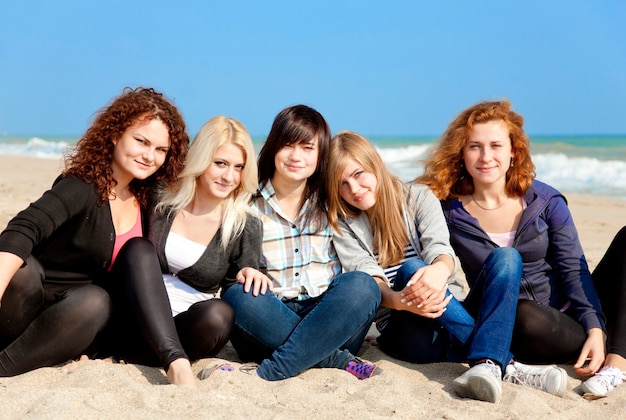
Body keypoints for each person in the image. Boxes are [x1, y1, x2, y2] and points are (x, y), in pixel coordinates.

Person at [326, 130, 568, 403]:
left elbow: (440, 250)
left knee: (507, 257)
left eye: (358, 174)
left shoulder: (417, 196)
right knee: (411, 269)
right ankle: (506, 365)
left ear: (374, 164)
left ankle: (486, 363)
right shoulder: (342, 224)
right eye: (342, 184)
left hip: (450, 314)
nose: (354, 189)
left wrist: (439, 271)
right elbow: (372, 280)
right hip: (407, 331)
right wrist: (403, 302)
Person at [418, 99, 623, 399]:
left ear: (513, 151)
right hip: (509, 322)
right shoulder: (447, 211)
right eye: (474, 146)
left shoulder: (545, 201)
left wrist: (594, 327)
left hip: (566, 316)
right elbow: (417, 251)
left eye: (496, 145)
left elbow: (573, 269)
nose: (486, 156)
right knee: (523, 313)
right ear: (461, 153)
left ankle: (616, 360)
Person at [0, 87, 188, 377]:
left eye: (161, 149)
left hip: (75, 320)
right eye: (141, 141)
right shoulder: (82, 185)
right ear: (115, 134)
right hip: (24, 308)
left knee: (96, 301)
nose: (150, 156)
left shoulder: (149, 198)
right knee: (23, 269)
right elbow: (24, 228)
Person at [106, 115, 271, 386]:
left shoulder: (245, 224)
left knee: (220, 315)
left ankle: (147, 355)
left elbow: (236, 286)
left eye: (238, 167)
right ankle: (167, 360)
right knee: (138, 248)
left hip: (186, 329)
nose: (229, 176)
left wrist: (254, 272)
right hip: (133, 315)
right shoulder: (159, 197)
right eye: (220, 163)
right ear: (201, 159)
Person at [221, 104, 381, 381]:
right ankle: (335, 359)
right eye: (288, 145)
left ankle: (279, 366)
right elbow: (228, 266)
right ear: (273, 148)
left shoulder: (331, 201)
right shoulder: (245, 203)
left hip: (328, 314)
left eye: (308, 148)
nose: (296, 156)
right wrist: (243, 271)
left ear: (320, 156)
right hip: (269, 317)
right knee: (238, 295)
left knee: (362, 285)